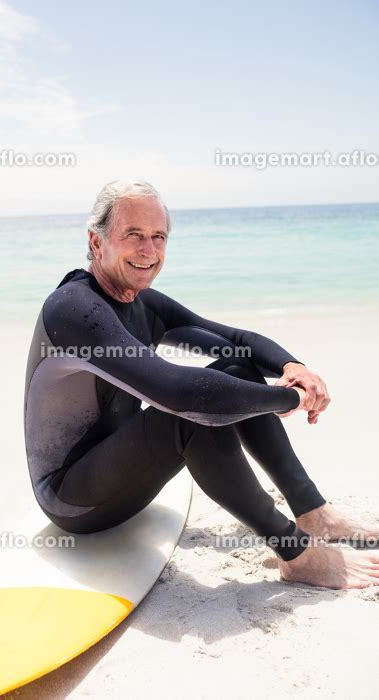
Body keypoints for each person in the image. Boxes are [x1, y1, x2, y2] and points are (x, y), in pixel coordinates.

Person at [24, 180, 379, 590]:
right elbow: (178, 392)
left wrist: (293, 366)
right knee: (188, 416)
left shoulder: (142, 303)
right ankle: (296, 554)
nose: (149, 251)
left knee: (235, 369)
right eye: (133, 235)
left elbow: (238, 345)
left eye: (158, 237)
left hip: (125, 473)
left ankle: (312, 511)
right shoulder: (73, 309)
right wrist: (288, 399)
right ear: (96, 241)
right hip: (73, 502)